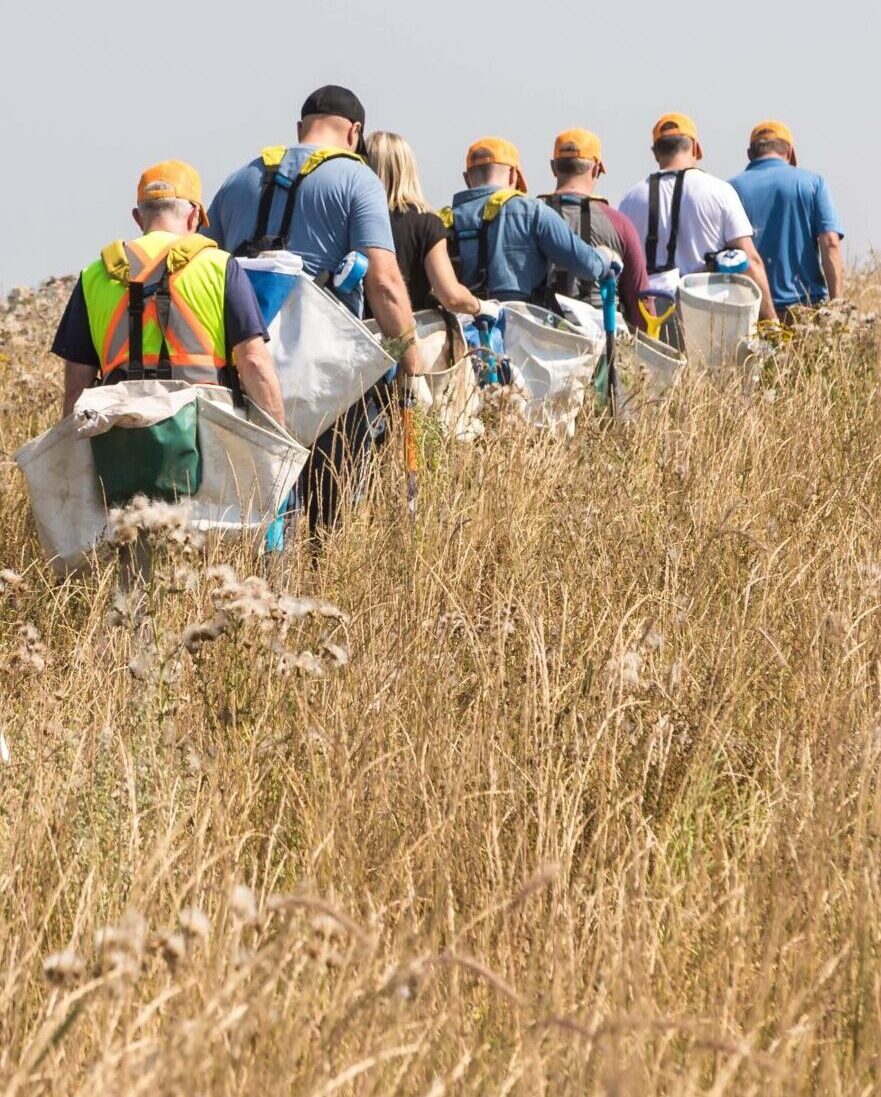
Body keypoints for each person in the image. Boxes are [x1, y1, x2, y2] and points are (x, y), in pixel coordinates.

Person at [204, 85, 425, 531]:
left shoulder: (238, 179)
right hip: (328, 373)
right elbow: (383, 282)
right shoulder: (357, 178)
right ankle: (320, 582)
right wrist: (411, 358)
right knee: (330, 507)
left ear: (300, 129)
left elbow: (204, 268)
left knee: (252, 495)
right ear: (355, 132)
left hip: (245, 363)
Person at [52, 159, 284, 425]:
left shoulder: (94, 276)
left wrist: (78, 457)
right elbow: (254, 363)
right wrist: (278, 448)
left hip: (119, 440)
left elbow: (76, 386)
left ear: (138, 218)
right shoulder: (220, 267)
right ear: (194, 215)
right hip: (206, 436)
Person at [619, 114, 775, 321]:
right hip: (707, 313)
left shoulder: (630, 199)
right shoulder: (720, 191)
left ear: (655, 153)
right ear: (696, 148)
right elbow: (751, 261)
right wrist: (770, 319)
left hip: (651, 313)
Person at [442, 136, 621, 303]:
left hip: (461, 326)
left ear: (466, 179)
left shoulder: (442, 221)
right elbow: (588, 266)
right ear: (513, 174)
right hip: (520, 329)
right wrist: (606, 256)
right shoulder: (533, 212)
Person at [729, 120, 844, 319]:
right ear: (789, 152)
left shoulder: (729, 189)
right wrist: (837, 307)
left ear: (750, 154)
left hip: (753, 311)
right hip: (805, 309)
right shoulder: (813, 183)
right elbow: (830, 242)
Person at [539, 129, 650, 329]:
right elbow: (640, 302)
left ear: (554, 167)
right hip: (602, 340)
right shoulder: (619, 224)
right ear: (596, 168)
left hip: (540, 337)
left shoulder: (531, 216)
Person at [365, 131, 482, 317]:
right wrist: (481, 307)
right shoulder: (427, 223)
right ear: (409, 169)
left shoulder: (351, 220)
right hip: (410, 334)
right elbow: (450, 295)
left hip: (356, 335)